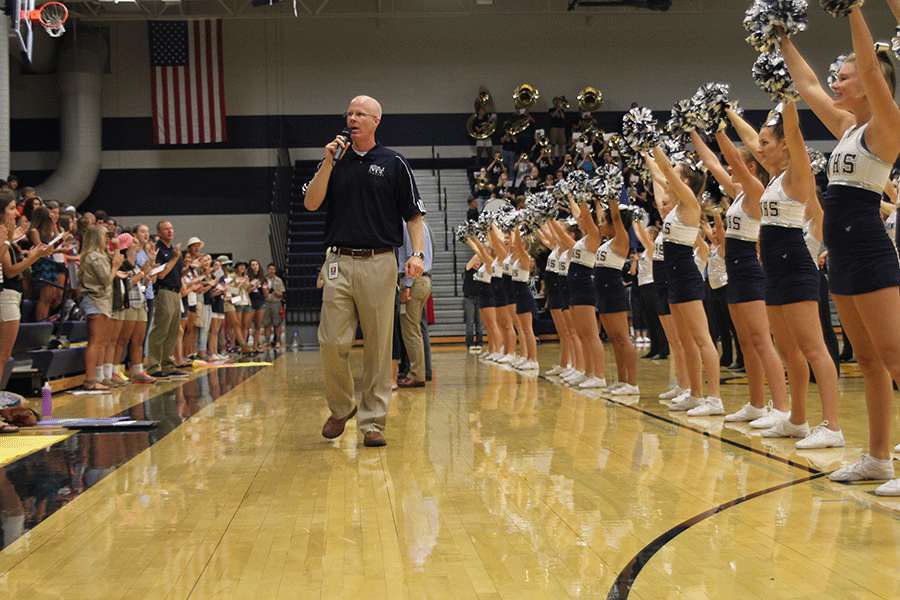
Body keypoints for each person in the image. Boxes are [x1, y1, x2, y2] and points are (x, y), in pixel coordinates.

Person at [781, 4, 900, 490]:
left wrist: (851, 7)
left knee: (895, 358)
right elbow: (807, 85)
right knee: (868, 360)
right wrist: (779, 39)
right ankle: (877, 458)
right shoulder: (849, 128)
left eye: (844, 78)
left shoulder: (886, 125)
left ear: (872, 85)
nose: (836, 85)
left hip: (871, 252)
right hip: (844, 255)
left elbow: (871, 66)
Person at [303, 95, 426, 448]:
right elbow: (311, 203)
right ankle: (342, 407)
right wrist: (327, 162)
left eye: (360, 114)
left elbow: (414, 217)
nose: (352, 118)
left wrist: (416, 254)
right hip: (339, 261)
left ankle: (373, 422)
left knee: (377, 346)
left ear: (375, 121)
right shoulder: (333, 160)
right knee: (330, 341)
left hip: (379, 261)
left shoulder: (393, 163)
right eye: (349, 113)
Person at [146, 221, 189, 380]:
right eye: (166, 229)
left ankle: (168, 365)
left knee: (172, 331)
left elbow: (176, 273)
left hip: (176, 292)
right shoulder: (158, 249)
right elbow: (162, 274)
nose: (170, 231)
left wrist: (189, 268)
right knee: (161, 330)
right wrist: (175, 258)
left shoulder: (173, 250)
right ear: (159, 232)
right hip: (163, 292)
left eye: (171, 228)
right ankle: (153, 366)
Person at [397, 219, 433, 388]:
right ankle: (420, 372)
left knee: (410, 330)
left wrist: (406, 285)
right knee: (416, 329)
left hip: (414, 282)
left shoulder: (407, 226)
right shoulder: (422, 226)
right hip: (424, 279)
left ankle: (416, 374)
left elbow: (408, 256)